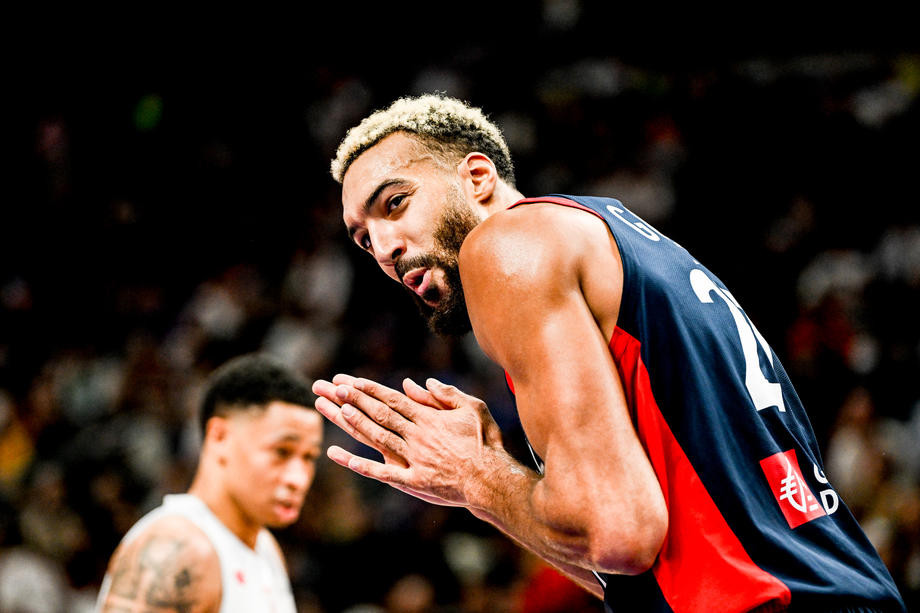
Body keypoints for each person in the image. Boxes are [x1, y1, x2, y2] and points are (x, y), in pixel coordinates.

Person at [312, 94, 906, 612]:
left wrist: (476, 475)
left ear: (478, 177)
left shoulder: (506, 245)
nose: (384, 248)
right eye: (363, 239)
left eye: (395, 203)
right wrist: (480, 490)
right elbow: (630, 569)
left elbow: (621, 533)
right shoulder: (610, 234)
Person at [96, 353, 323, 612]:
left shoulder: (265, 547)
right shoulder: (177, 548)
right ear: (220, 437)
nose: (298, 478)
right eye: (282, 452)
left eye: (309, 457)